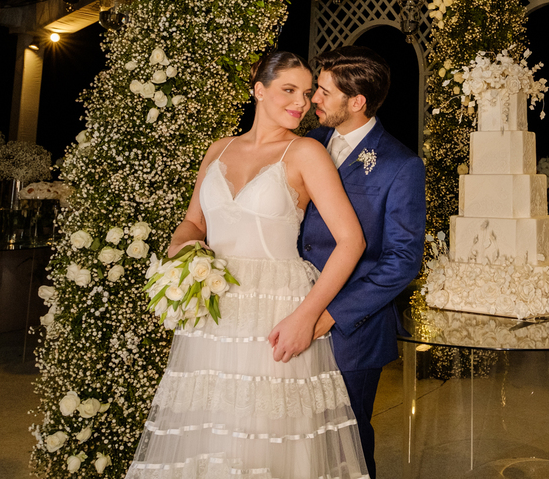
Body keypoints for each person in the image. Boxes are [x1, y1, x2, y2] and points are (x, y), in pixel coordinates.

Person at [127, 51, 369, 479]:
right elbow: (193, 222)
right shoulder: (219, 149)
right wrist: (181, 252)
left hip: (275, 310)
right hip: (213, 309)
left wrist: (307, 317)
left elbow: (352, 242)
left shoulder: (306, 152)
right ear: (259, 90)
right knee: (209, 430)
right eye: (289, 90)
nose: (301, 102)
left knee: (266, 433)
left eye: (306, 93)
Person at [299, 46, 427, 478]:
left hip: (351, 331)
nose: (313, 98)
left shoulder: (400, 165)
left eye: (324, 91)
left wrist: (332, 313)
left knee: (346, 443)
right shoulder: (307, 144)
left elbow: (402, 260)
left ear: (357, 102)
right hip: (291, 309)